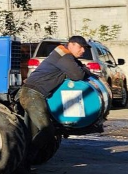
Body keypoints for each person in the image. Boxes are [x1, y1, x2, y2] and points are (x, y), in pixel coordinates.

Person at [19, 35, 91, 165]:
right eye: (81, 47)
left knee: (36, 132)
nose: (83, 51)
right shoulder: (64, 55)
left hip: (35, 94)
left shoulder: (64, 55)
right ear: (72, 44)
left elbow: (80, 69)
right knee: (47, 130)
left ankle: (28, 161)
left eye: (84, 48)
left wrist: (84, 69)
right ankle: (24, 164)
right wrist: (86, 70)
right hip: (32, 94)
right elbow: (77, 75)